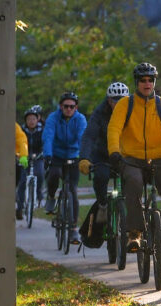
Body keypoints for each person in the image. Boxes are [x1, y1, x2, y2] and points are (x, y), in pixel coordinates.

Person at [107, 62, 161, 256]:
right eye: (143, 80)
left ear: (154, 82)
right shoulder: (125, 104)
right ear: (137, 83)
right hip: (132, 158)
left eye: (150, 80)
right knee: (134, 184)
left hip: (158, 158)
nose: (147, 84)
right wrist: (114, 151)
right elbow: (114, 129)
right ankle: (134, 233)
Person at [43, 91, 88, 245]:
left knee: (73, 191)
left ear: (76, 107)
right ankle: (50, 197)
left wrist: (84, 156)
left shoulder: (80, 119)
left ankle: (73, 230)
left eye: (72, 106)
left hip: (74, 155)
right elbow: (48, 136)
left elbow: (83, 137)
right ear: (60, 107)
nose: (69, 109)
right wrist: (48, 155)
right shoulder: (53, 118)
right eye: (66, 106)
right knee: (54, 174)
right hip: (56, 154)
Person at [80, 82, 130, 208]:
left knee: (133, 181)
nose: (118, 104)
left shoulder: (134, 112)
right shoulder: (99, 113)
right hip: (103, 155)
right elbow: (89, 136)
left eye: (122, 100)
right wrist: (84, 158)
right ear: (109, 100)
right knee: (101, 176)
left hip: (126, 155)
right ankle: (102, 205)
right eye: (115, 101)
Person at [17, 107, 45, 216]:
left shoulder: (42, 130)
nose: (31, 121)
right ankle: (19, 206)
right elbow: (18, 144)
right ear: (25, 121)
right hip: (25, 157)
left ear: (37, 119)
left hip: (38, 156)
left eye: (33, 119)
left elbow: (46, 142)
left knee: (40, 174)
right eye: (29, 119)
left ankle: (38, 194)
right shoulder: (21, 131)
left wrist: (44, 153)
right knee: (23, 180)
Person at [13, 121, 29, 219]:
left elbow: (22, 140)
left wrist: (23, 155)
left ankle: (20, 207)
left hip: (16, 157)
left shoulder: (15, 127)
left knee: (21, 181)